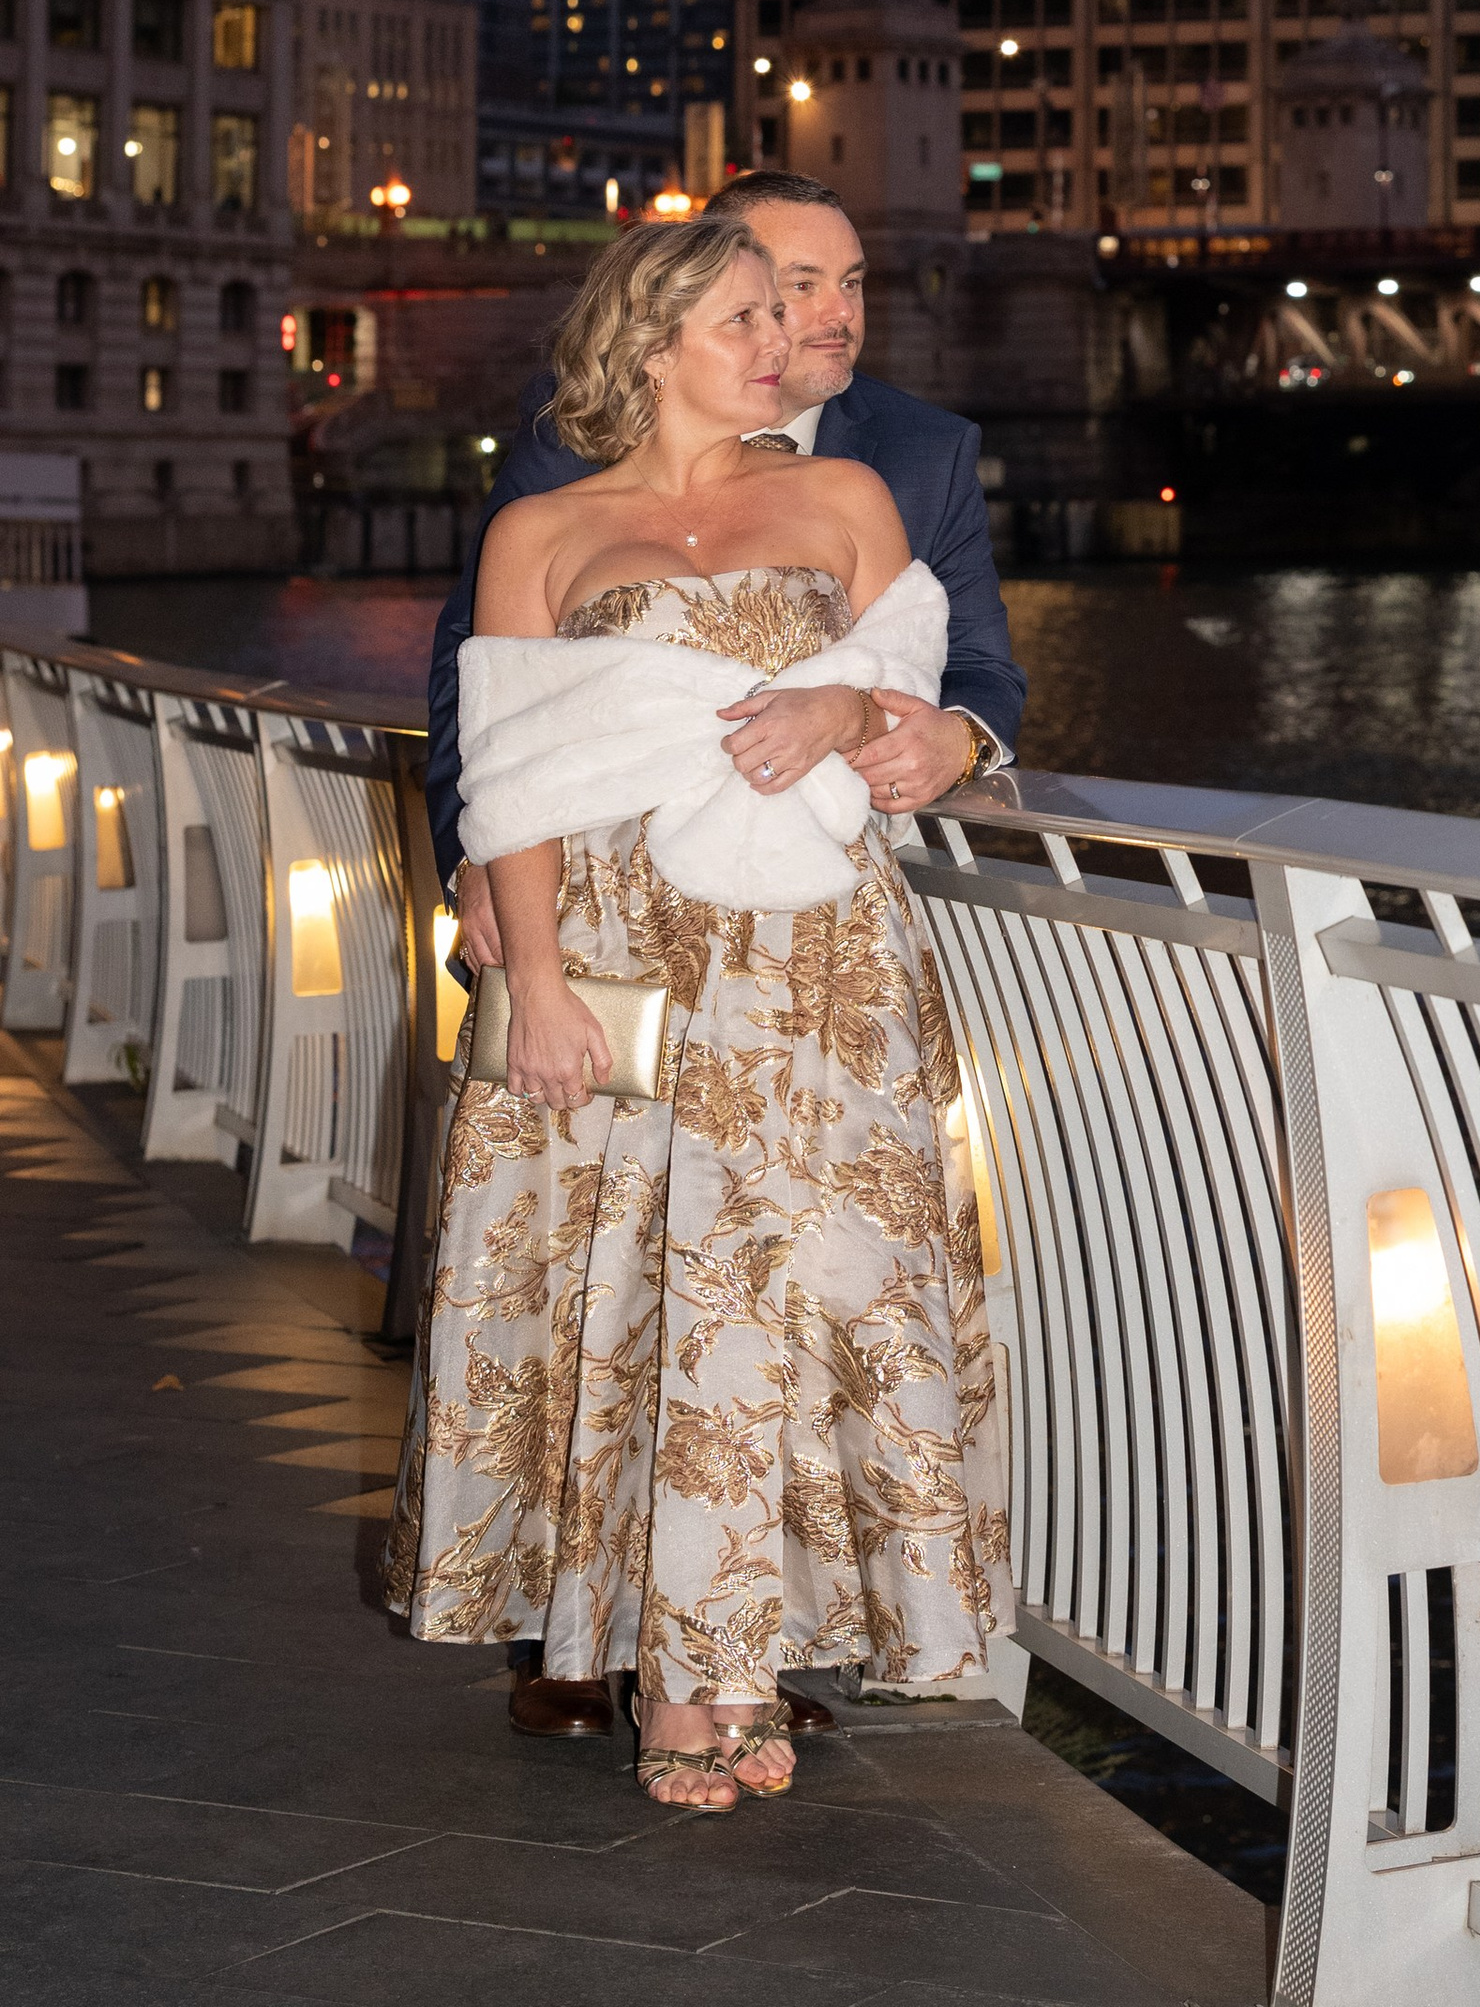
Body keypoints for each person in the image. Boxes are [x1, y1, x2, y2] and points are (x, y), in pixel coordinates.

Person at [385, 212, 1013, 1811]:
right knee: (622, 1293)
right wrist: (528, 983)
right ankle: (672, 1677)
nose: (787, 340)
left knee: (798, 1297)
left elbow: (937, 693)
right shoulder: (540, 531)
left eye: (798, 310)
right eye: (749, 316)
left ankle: (727, 1659)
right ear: (653, 341)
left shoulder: (850, 496)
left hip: (817, 968)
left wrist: (854, 705)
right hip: (611, 956)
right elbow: (509, 789)